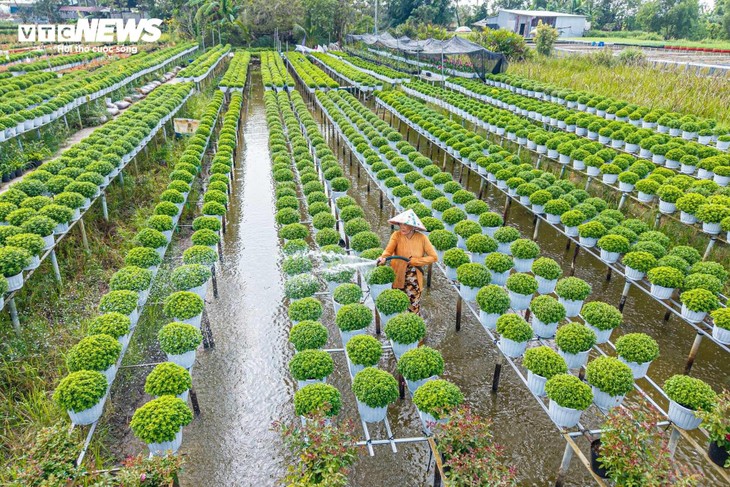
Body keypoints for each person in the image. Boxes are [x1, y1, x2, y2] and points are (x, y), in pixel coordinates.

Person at [375, 210, 438, 315]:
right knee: (397, 304)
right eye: (400, 224)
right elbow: (388, 251)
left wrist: (416, 261)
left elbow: (434, 257)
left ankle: (413, 321)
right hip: (398, 275)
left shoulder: (422, 238)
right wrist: (383, 258)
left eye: (406, 224)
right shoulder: (396, 235)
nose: (402, 227)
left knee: (413, 306)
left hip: (414, 278)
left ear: (413, 226)